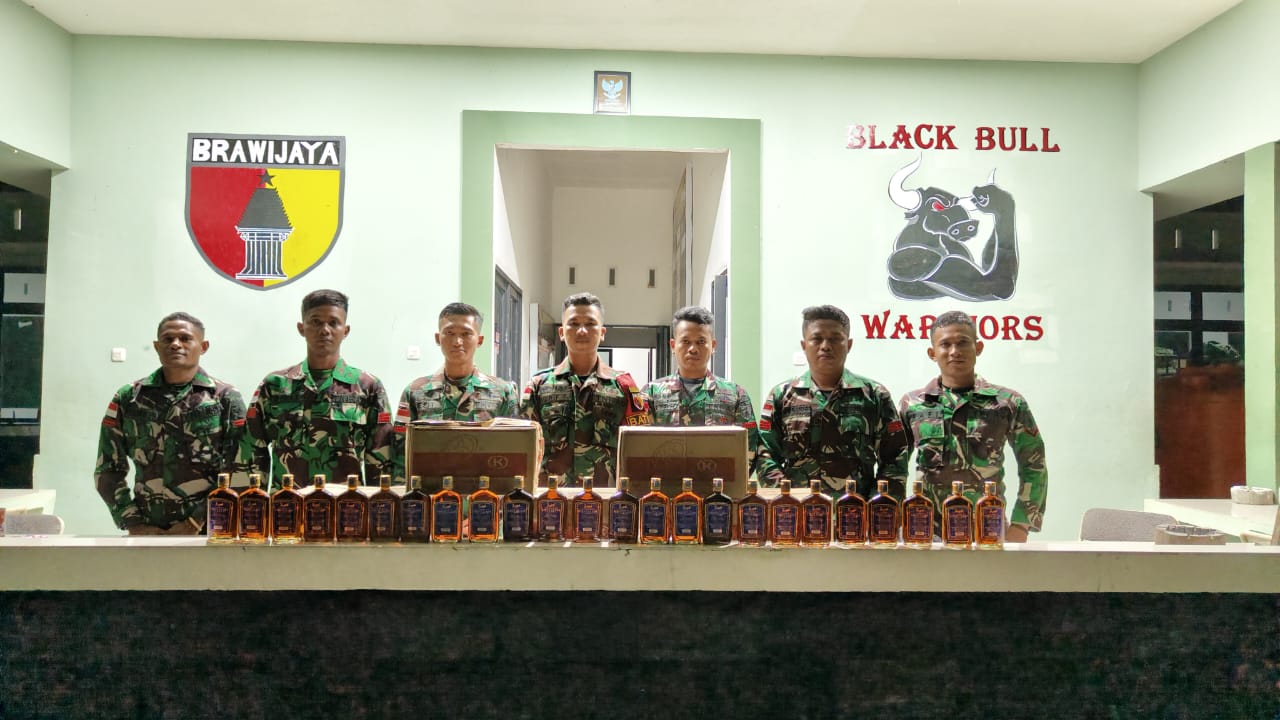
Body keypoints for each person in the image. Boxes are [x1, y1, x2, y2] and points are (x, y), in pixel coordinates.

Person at [895, 310, 1047, 542]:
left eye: (963, 343)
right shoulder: (913, 404)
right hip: (926, 532)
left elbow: (1033, 464)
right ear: (932, 353)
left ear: (978, 348)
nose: (954, 351)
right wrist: (894, 517)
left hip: (987, 530)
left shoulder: (1007, 403)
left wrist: (1021, 524)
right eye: (945, 344)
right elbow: (894, 466)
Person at [94, 312, 247, 534]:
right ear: (157, 347)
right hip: (147, 531)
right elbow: (108, 468)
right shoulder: (129, 398)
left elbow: (240, 467)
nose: (175, 344)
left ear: (203, 347)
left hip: (210, 530)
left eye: (185, 338)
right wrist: (133, 521)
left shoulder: (225, 398)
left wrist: (197, 521)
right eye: (167, 339)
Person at [243, 289, 394, 489]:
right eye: (315, 322)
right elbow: (251, 451)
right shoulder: (275, 385)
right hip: (288, 504)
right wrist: (252, 502)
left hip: (346, 504)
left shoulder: (367, 387)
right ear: (301, 328)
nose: (324, 330)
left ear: (345, 330)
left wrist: (381, 505)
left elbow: (381, 457)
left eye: (333, 322)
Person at [756, 305, 908, 498]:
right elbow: (765, 455)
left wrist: (876, 505)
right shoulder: (782, 395)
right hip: (799, 512)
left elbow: (895, 456)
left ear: (849, 345)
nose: (825, 346)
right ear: (804, 345)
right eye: (817, 338)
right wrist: (787, 501)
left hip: (858, 511)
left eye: (835, 339)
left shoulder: (874, 395)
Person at [520, 292, 652, 486]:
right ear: (561, 333)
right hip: (551, 496)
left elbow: (640, 447)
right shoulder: (538, 386)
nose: (582, 331)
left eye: (590, 324)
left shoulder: (623, 386)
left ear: (602, 332)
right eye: (573, 324)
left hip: (606, 496)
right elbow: (523, 447)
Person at [393, 302, 519, 479]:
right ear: (438, 338)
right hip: (429, 491)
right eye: (449, 333)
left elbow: (514, 450)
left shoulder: (503, 392)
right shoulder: (415, 392)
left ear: (479, 340)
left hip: (484, 492)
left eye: (466, 334)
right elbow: (399, 455)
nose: (457, 342)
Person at [644, 305, 758, 468]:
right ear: (673, 346)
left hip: (719, 482)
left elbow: (749, 449)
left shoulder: (736, 395)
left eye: (701, 342)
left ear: (713, 346)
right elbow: (641, 446)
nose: (693, 349)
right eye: (685, 341)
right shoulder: (651, 393)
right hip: (667, 481)